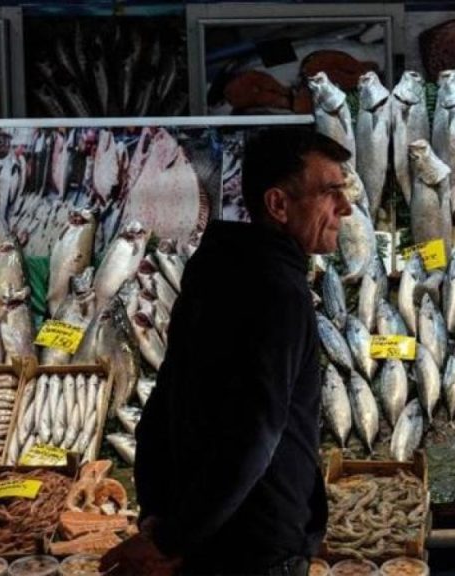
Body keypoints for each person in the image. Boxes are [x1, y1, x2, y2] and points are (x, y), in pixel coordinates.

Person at [101, 125, 352, 575]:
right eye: (331, 193)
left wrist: (160, 518)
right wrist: (171, 538)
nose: (345, 208)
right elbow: (254, 433)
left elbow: (164, 403)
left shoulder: (212, 267)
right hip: (251, 551)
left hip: (204, 539)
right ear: (278, 204)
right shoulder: (279, 291)